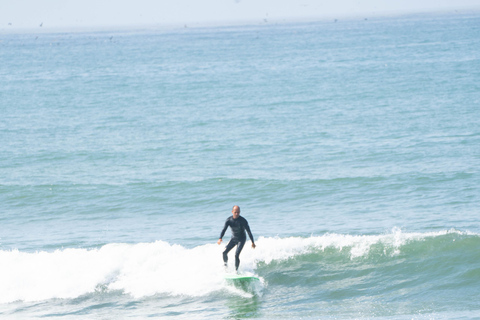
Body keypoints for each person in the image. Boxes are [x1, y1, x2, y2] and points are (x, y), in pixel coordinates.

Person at [217, 205, 256, 272]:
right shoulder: (229, 220)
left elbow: (249, 231)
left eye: (238, 212)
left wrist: (252, 242)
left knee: (236, 255)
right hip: (233, 238)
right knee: (224, 252)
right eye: (235, 212)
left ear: (240, 212)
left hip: (242, 239)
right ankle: (226, 267)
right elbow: (224, 229)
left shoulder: (243, 220)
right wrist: (220, 238)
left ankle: (236, 271)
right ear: (232, 212)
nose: (237, 214)